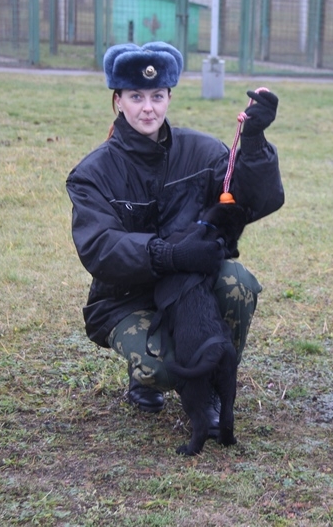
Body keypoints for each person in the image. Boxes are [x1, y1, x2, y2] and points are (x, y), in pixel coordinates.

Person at [66, 42, 284, 432]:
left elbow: (256, 199)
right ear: (118, 101)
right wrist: (168, 254)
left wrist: (253, 141)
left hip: (190, 289)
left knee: (238, 283)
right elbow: (99, 248)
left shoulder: (200, 150)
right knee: (162, 371)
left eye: (157, 96)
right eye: (136, 97)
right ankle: (144, 375)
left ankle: (213, 386)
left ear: (169, 98)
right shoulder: (92, 173)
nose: (147, 108)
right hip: (124, 298)